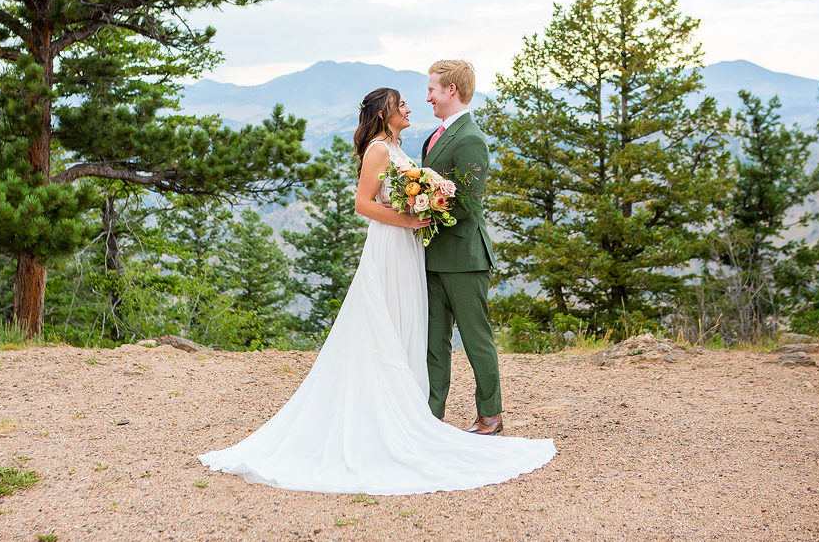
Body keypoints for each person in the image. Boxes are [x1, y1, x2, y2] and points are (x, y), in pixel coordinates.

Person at [199, 88, 555, 495]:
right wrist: (408, 221)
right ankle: (387, 418)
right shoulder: (378, 151)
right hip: (390, 247)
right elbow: (363, 204)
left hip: (409, 250)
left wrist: (424, 207)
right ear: (385, 113)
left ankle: (411, 412)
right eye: (401, 104)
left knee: (409, 325)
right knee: (386, 325)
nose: (409, 108)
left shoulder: (397, 146)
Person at [421, 60, 503, 434]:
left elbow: (469, 203)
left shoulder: (470, 138)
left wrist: (424, 206)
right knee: (433, 342)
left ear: (451, 90)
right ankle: (431, 416)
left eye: (433, 90)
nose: (428, 97)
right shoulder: (435, 137)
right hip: (433, 255)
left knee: (475, 339)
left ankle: (490, 415)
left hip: (465, 257)